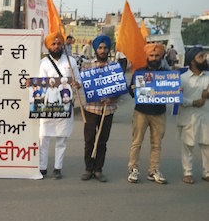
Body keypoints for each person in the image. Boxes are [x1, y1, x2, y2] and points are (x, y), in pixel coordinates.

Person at [38, 31, 81, 179]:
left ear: (62, 44)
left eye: (58, 43)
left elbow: (79, 82)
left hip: (65, 104)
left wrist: (76, 84)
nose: (56, 46)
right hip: (48, 105)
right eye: (53, 44)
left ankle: (58, 168)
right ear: (48, 47)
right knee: (43, 137)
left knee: (61, 138)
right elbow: (39, 84)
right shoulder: (43, 63)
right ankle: (42, 167)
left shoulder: (71, 62)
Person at [127, 43, 168, 184]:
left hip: (159, 112)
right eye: (151, 55)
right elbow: (131, 92)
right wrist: (132, 89)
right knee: (136, 142)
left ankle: (153, 170)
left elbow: (171, 92)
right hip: (141, 112)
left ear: (161, 56)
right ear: (147, 56)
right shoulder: (139, 73)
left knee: (157, 144)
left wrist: (177, 90)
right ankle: (133, 169)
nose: (154, 58)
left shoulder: (167, 74)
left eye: (157, 55)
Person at [80, 35, 119, 182]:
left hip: (107, 110)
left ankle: (98, 169)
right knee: (89, 140)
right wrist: (78, 85)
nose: (102, 50)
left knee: (102, 141)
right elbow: (83, 84)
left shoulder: (114, 67)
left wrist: (112, 98)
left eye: (105, 48)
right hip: (91, 109)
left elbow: (119, 89)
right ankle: (88, 168)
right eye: (100, 48)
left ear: (109, 50)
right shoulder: (87, 65)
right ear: (96, 49)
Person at [177, 47, 209, 184]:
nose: (204, 59)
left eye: (204, 56)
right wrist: (194, 102)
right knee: (188, 146)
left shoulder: (208, 77)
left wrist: (206, 96)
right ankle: (187, 173)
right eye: (200, 57)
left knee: (207, 145)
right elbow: (178, 99)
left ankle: (207, 172)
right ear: (192, 61)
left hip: (205, 116)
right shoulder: (182, 79)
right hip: (188, 116)